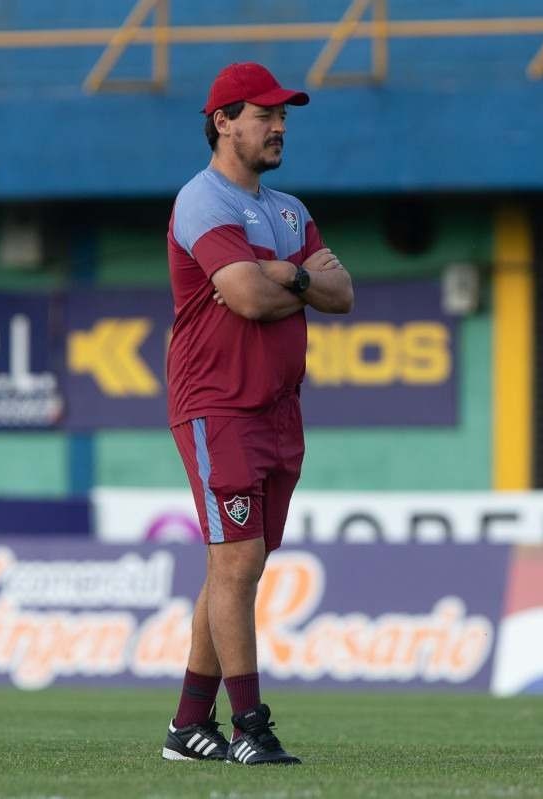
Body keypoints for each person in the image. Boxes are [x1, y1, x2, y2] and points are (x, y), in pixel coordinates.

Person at [160, 62, 354, 766]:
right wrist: (293, 279)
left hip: (277, 409)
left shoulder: (289, 211)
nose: (278, 127)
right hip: (218, 404)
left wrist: (289, 274)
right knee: (237, 560)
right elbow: (245, 296)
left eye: (284, 117)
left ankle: (187, 725)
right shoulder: (203, 201)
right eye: (264, 115)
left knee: (236, 565)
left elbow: (342, 292)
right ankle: (249, 725)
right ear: (222, 122)